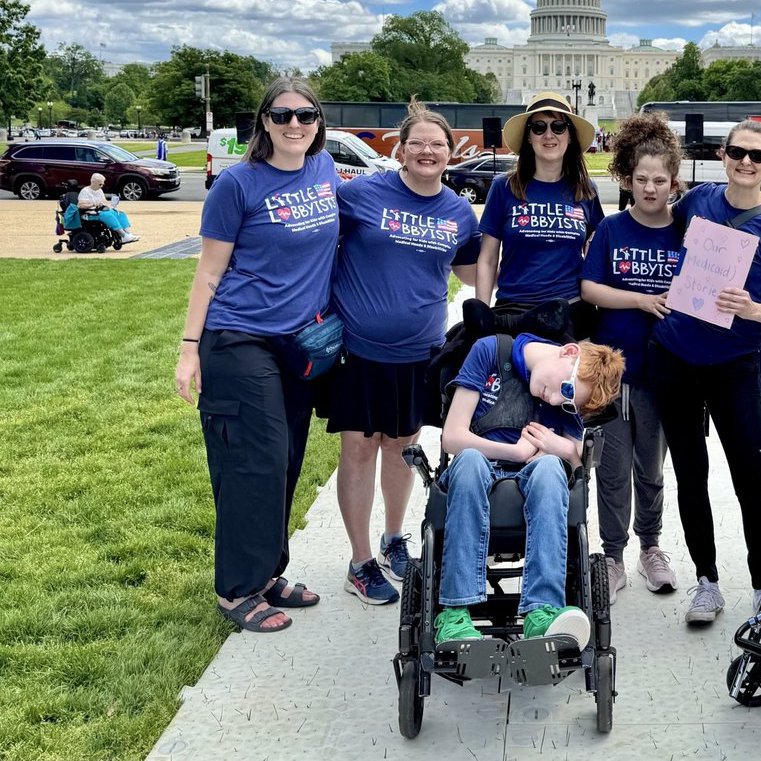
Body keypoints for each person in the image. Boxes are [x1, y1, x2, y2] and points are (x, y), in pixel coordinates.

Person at [174, 76, 338, 633]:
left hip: (299, 344)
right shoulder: (237, 184)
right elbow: (209, 271)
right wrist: (189, 348)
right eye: (283, 115)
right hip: (239, 337)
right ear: (263, 122)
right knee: (256, 460)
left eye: (306, 116)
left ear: (318, 124)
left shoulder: (324, 172)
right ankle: (236, 589)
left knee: (287, 458)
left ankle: (268, 572)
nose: (295, 125)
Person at [321, 98, 480, 606]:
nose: (427, 151)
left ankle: (392, 539)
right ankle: (359, 560)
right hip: (360, 350)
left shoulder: (457, 211)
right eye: (418, 143)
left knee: (403, 446)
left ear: (451, 153)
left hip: (420, 350)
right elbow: (315, 246)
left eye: (438, 144)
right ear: (400, 148)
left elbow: (471, 272)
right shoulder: (362, 194)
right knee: (360, 447)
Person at [647, 120, 761, 626]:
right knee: (691, 478)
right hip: (677, 356)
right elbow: (651, 227)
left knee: (751, 480)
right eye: (738, 152)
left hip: (736, 363)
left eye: (758, 156)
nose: (747, 162)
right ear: (723, 153)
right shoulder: (698, 201)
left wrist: (755, 308)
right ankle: (707, 582)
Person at [433, 334, 624, 644]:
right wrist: (515, 453)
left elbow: (578, 458)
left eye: (565, 403)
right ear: (569, 352)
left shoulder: (565, 399)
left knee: (550, 468)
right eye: (565, 390)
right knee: (468, 461)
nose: (554, 401)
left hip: (535, 473)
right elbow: (452, 437)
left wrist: (558, 445)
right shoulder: (489, 352)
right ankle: (455, 612)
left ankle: (543, 612)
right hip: (481, 462)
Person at [581, 113, 682, 603]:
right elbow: (590, 288)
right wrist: (641, 299)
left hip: (663, 370)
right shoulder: (613, 228)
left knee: (652, 468)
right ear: (628, 179)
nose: (649, 187)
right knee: (613, 467)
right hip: (613, 371)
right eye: (641, 179)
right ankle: (613, 554)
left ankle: (651, 546)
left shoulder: (686, 231)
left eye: (659, 180)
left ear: (673, 182)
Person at [476, 92, 604, 338]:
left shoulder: (586, 189)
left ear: (569, 136)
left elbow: (595, 252)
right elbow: (488, 259)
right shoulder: (504, 187)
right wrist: (482, 318)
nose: (549, 135)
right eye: (538, 127)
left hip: (571, 309)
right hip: (515, 309)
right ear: (528, 136)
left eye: (558, 126)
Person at [76, 173, 138, 243]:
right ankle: (122, 235)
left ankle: (128, 234)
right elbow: (80, 205)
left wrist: (111, 206)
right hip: (89, 213)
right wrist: (93, 204)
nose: (101, 186)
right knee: (108, 215)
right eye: (100, 184)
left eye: (102, 184)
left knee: (120, 213)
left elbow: (104, 201)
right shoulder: (85, 191)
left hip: (100, 211)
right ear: (93, 182)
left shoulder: (99, 190)